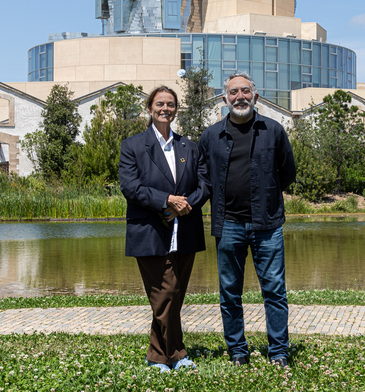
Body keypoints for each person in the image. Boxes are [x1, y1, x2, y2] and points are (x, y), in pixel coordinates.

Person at [198, 72, 296, 367]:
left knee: (275, 291)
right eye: (232, 92)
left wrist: (266, 197)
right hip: (228, 225)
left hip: (267, 224)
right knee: (229, 292)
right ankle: (237, 351)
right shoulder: (211, 136)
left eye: (245, 91)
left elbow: (287, 172)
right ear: (225, 98)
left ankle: (279, 351)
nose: (239, 96)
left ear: (255, 96)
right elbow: (202, 177)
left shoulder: (274, 130)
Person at [119, 86, 209, 371]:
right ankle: (175, 355)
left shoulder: (190, 147)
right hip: (149, 231)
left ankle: (157, 354)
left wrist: (183, 205)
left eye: (170, 104)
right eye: (160, 104)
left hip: (185, 231)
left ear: (176, 109)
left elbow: (205, 185)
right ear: (149, 108)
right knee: (166, 293)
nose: (165, 109)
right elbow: (130, 187)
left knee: (175, 296)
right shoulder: (132, 146)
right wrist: (167, 202)